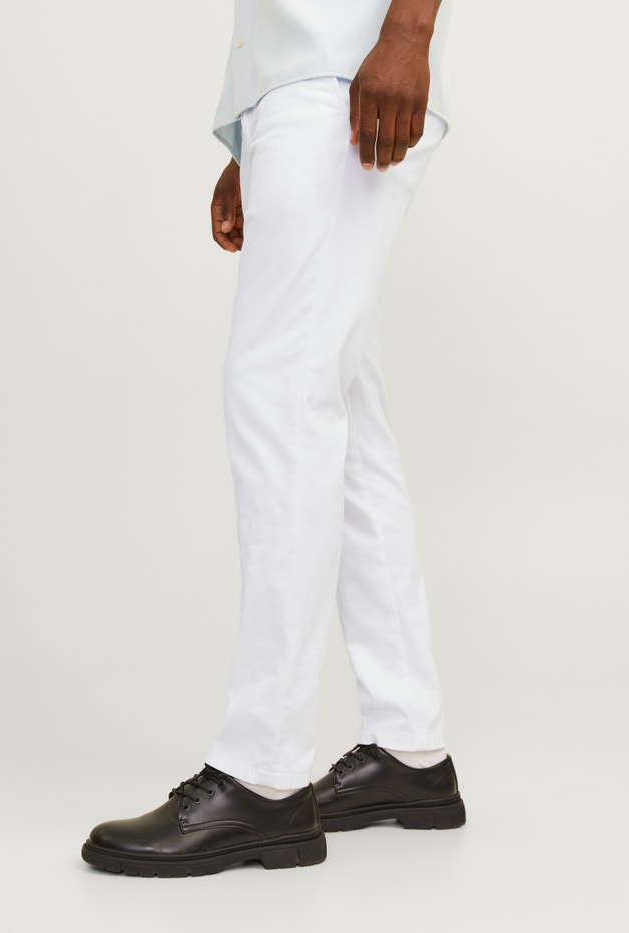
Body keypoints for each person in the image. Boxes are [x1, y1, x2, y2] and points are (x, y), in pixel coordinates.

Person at [81, 0, 466, 878]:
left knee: (281, 393)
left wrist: (408, 33)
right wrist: (249, 142)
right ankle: (409, 744)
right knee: (341, 405)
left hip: (345, 78)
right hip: (305, 90)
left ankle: (263, 773)